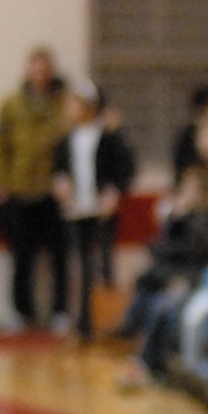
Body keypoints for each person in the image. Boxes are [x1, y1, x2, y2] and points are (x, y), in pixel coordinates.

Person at [51, 81, 136, 340]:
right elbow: (58, 169)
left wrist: (114, 191)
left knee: (104, 264)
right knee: (78, 265)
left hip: (101, 210)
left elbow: (125, 169)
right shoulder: (66, 140)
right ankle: (81, 320)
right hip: (75, 210)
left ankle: (107, 321)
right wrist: (60, 183)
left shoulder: (108, 138)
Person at [0, 47, 69, 330]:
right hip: (20, 188)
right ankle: (21, 311)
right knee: (21, 254)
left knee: (59, 255)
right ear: (28, 72)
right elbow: (1, 146)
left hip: (52, 191)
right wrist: (0, 182)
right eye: (35, 70)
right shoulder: (11, 105)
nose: (40, 76)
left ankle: (60, 311)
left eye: (44, 71)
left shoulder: (63, 104)